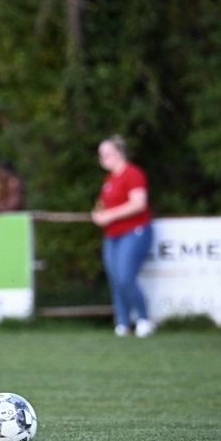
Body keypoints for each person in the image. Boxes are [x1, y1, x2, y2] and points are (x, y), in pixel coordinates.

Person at [91, 135, 155, 338]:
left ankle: (144, 319)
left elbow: (138, 204)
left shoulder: (133, 173)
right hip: (112, 234)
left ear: (119, 153)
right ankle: (123, 323)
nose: (103, 157)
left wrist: (109, 215)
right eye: (101, 154)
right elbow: (105, 204)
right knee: (116, 280)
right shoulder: (109, 179)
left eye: (107, 153)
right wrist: (100, 214)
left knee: (126, 277)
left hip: (134, 231)